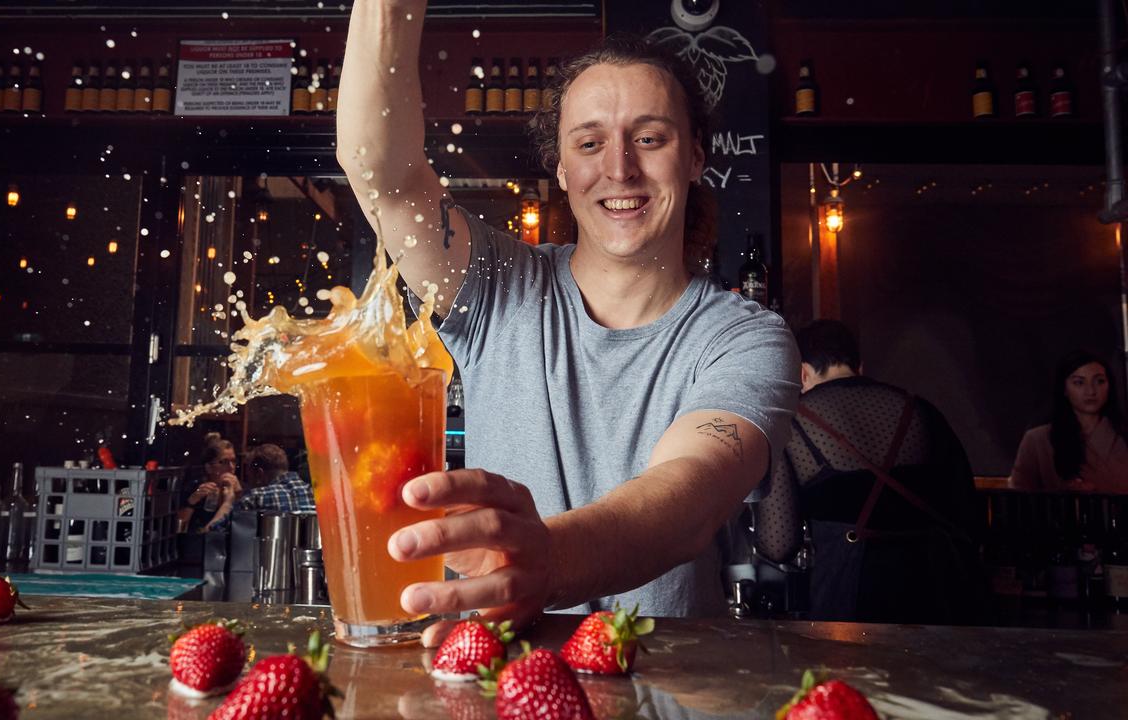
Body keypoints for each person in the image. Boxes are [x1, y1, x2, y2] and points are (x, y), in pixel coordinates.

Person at [337, 1, 799, 645]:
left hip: (668, 685)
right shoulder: (498, 285)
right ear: (561, 168)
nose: (619, 168)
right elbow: (383, 178)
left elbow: (690, 494)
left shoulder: (744, 338)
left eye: (649, 137)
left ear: (695, 156)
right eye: (589, 143)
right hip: (497, 678)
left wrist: (546, 559)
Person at [751, 320, 986, 624]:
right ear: (858, 366)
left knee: (853, 672)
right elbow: (968, 514)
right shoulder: (919, 409)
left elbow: (778, 543)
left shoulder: (790, 424)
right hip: (938, 593)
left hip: (851, 596)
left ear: (803, 373)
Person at [1010, 350, 1128, 493]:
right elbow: (1019, 497)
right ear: (1064, 389)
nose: (1090, 391)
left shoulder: (1123, 434)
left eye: (1099, 381)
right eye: (1079, 382)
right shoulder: (1037, 440)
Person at [179, 433, 242, 533]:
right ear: (209, 467)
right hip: (201, 544)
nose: (231, 467)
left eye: (234, 461)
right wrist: (191, 502)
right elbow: (180, 530)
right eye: (224, 462)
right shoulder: (197, 488)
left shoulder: (239, 489)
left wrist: (239, 496)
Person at [239, 444, 316, 513]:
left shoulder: (255, 498)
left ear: (259, 474)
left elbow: (235, 526)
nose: (249, 482)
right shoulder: (316, 494)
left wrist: (234, 499)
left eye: (249, 476)